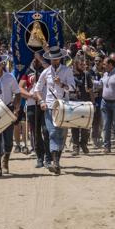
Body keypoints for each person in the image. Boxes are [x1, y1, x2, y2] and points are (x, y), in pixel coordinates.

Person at [35, 46, 75, 175]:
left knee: (61, 135)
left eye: (57, 59)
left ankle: (56, 161)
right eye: (53, 59)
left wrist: (61, 84)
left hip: (64, 106)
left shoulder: (67, 71)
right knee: (52, 133)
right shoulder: (46, 72)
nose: (55, 61)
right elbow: (37, 89)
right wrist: (41, 101)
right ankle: (55, 162)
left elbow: (73, 88)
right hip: (50, 106)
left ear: (60, 58)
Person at [20, 54, 50, 168]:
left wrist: (41, 59)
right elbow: (20, 88)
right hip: (32, 105)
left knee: (46, 131)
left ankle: (48, 157)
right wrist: (31, 95)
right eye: (33, 57)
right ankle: (39, 157)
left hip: (45, 104)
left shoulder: (47, 70)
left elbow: (51, 71)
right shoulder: (28, 71)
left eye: (36, 57)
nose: (35, 59)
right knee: (36, 133)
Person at [93, 57, 115, 153]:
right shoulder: (105, 74)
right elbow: (100, 84)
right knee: (105, 125)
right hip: (105, 103)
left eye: (105, 64)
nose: (103, 66)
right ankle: (107, 146)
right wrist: (92, 82)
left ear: (111, 65)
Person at [70, 57, 93, 156]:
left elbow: (91, 89)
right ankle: (76, 147)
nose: (83, 66)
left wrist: (93, 103)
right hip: (73, 103)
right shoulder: (70, 74)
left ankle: (83, 143)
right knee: (74, 126)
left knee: (85, 126)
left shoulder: (86, 74)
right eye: (81, 64)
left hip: (85, 102)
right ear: (76, 64)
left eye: (84, 64)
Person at [90, 55, 104, 148]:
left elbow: (103, 84)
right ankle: (94, 137)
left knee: (100, 119)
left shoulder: (105, 71)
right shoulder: (90, 71)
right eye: (95, 60)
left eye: (99, 61)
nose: (97, 62)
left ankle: (98, 135)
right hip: (92, 97)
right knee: (94, 118)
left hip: (101, 97)